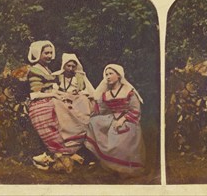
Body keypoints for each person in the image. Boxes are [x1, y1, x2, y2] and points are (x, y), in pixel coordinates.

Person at [84, 64, 146, 177]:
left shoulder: (128, 91)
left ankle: (124, 168)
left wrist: (122, 119)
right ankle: (108, 163)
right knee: (93, 122)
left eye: (111, 74)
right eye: (106, 74)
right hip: (112, 118)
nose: (108, 77)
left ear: (119, 75)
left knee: (120, 137)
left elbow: (135, 110)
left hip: (128, 120)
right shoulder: (106, 94)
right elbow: (102, 110)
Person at [26, 41, 75, 170]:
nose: (49, 56)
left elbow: (52, 89)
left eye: (50, 53)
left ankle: (70, 149)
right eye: (46, 53)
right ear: (38, 54)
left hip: (49, 98)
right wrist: (54, 95)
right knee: (56, 110)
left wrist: (63, 94)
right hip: (38, 103)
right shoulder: (35, 70)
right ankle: (58, 151)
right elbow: (35, 93)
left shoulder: (47, 69)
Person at [51, 53, 95, 156]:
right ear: (64, 65)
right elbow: (53, 89)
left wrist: (76, 93)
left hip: (76, 98)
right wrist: (63, 95)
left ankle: (81, 135)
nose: (71, 68)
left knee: (83, 101)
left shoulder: (80, 77)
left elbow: (87, 90)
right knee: (57, 105)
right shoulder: (57, 76)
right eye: (68, 66)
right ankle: (67, 138)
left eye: (73, 66)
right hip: (61, 98)